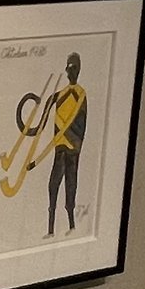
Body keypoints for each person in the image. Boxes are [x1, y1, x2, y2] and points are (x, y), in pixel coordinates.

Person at [44, 53, 88, 238]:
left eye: (74, 68)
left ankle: (71, 226)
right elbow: (44, 120)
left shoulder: (81, 94)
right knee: (53, 184)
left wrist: (68, 134)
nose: (71, 72)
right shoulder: (60, 95)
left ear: (79, 70)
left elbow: (81, 124)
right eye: (69, 68)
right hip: (60, 146)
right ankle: (51, 230)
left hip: (72, 148)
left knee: (71, 185)